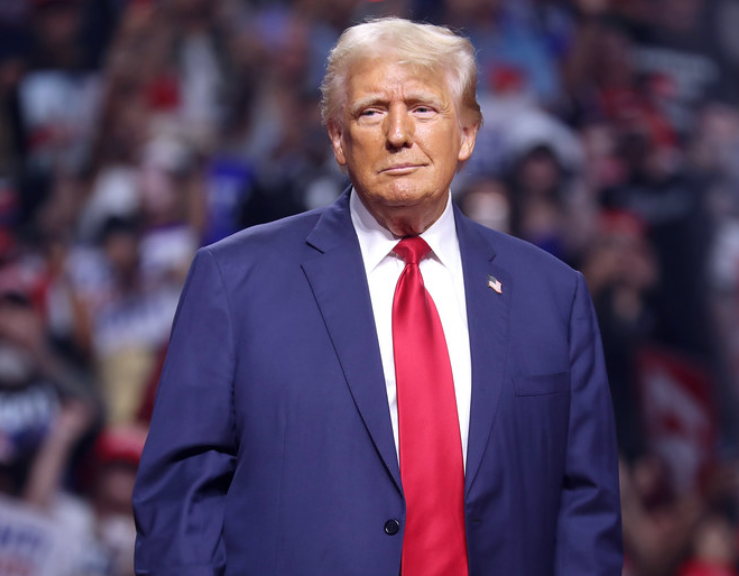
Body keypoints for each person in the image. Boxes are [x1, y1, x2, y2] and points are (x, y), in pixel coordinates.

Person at [132, 17, 622, 576]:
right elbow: (179, 504)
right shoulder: (234, 281)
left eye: (423, 108)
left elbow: (586, 510)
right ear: (338, 139)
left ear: (466, 133)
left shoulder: (554, 296)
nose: (398, 133)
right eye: (371, 112)